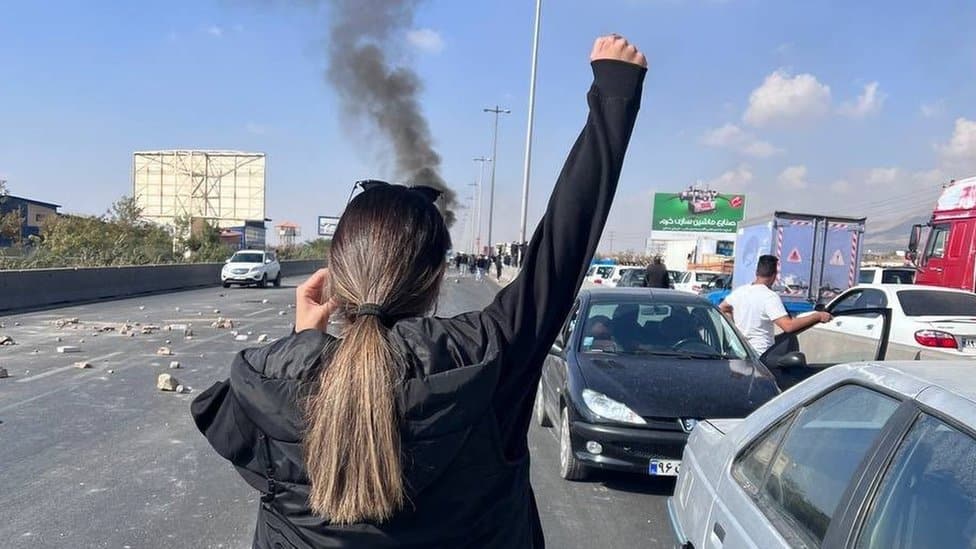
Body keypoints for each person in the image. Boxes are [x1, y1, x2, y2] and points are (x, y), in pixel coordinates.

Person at [191, 34, 646, 549]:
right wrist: (614, 94)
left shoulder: (267, 380)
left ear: (335, 276)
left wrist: (300, 343)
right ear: (434, 281)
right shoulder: (485, 353)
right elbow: (561, 252)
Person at [719, 254, 832, 357]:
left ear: (756, 272)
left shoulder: (740, 292)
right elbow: (788, 326)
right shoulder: (769, 297)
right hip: (761, 355)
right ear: (774, 276)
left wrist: (734, 331)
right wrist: (817, 316)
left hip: (739, 353)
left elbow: (722, 308)